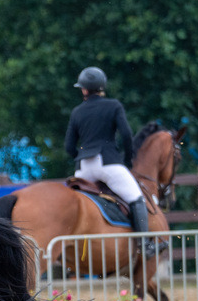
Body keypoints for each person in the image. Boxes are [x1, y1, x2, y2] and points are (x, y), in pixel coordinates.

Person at [64, 66, 155, 257]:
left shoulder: (77, 112)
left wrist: (79, 158)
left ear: (84, 89)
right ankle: (145, 245)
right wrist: (127, 160)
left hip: (83, 169)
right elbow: (127, 136)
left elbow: (69, 146)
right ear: (101, 87)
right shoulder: (113, 106)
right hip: (108, 163)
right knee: (136, 198)